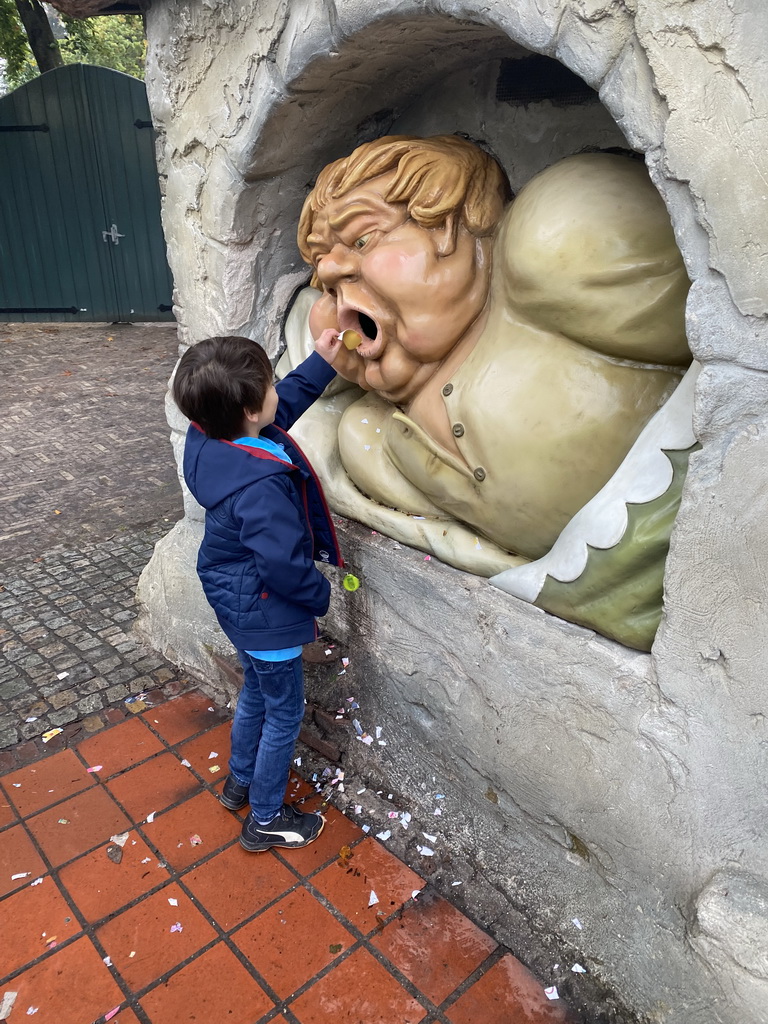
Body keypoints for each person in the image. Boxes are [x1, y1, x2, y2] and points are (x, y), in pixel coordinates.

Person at [172, 329, 343, 851]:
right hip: (268, 614)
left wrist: (322, 361)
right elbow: (284, 566)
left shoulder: (210, 439)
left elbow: (276, 408)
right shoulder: (262, 488)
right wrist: (318, 596)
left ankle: (238, 781)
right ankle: (266, 817)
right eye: (270, 382)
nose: (277, 390)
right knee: (284, 710)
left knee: (256, 693)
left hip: (235, 605)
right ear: (249, 408)